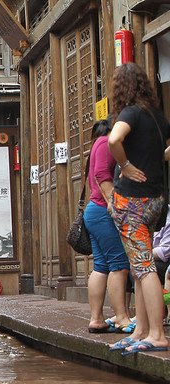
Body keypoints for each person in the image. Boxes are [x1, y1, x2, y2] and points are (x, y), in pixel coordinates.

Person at [107, 63, 170, 354]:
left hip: (132, 201)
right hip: (156, 200)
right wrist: (156, 159)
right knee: (140, 267)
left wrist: (126, 165)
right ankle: (141, 331)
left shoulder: (130, 113)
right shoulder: (157, 117)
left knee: (144, 269)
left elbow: (113, 139)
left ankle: (156, 333)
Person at [82, 119, 132, 335]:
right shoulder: (105, 143)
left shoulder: (97, 144)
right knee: (119, 263)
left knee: (102, 265)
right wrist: (115, 206)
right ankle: (121, 317)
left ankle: (96, 319)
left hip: (95, 211)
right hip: (103, 211)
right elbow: (102, 174)